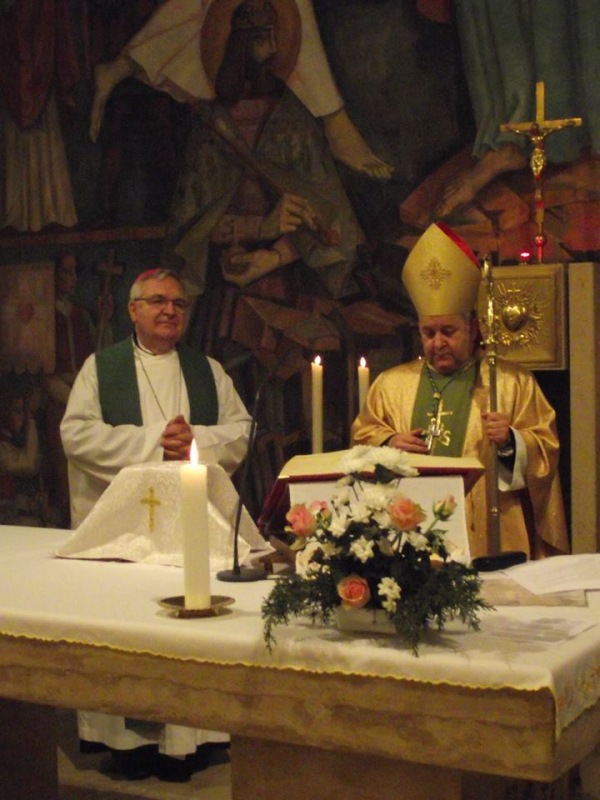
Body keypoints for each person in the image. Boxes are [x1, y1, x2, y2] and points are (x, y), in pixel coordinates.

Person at [60, 267, 251, 781]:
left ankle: (191, 740)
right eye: (158, 301)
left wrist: (195, 443)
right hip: (125, 533)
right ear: (133, 310)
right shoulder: (101, 369)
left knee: (188, 625)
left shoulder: (207, 370)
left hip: (188, 530)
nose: (170, 310)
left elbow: (241, 430)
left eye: (179, 303)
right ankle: (126, 742)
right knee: (127, 625)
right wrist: (153, 445)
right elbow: (75, 435)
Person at [351, 222, 569, 561]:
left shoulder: (512, 383)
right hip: (408, 532)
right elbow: (361, 438)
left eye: (448, 331)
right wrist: (389, 443)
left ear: (473, 327)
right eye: (429, 333)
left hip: (490, 532)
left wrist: (511, 442)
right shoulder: (391, 385)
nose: (438, 342)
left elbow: (546, 448)